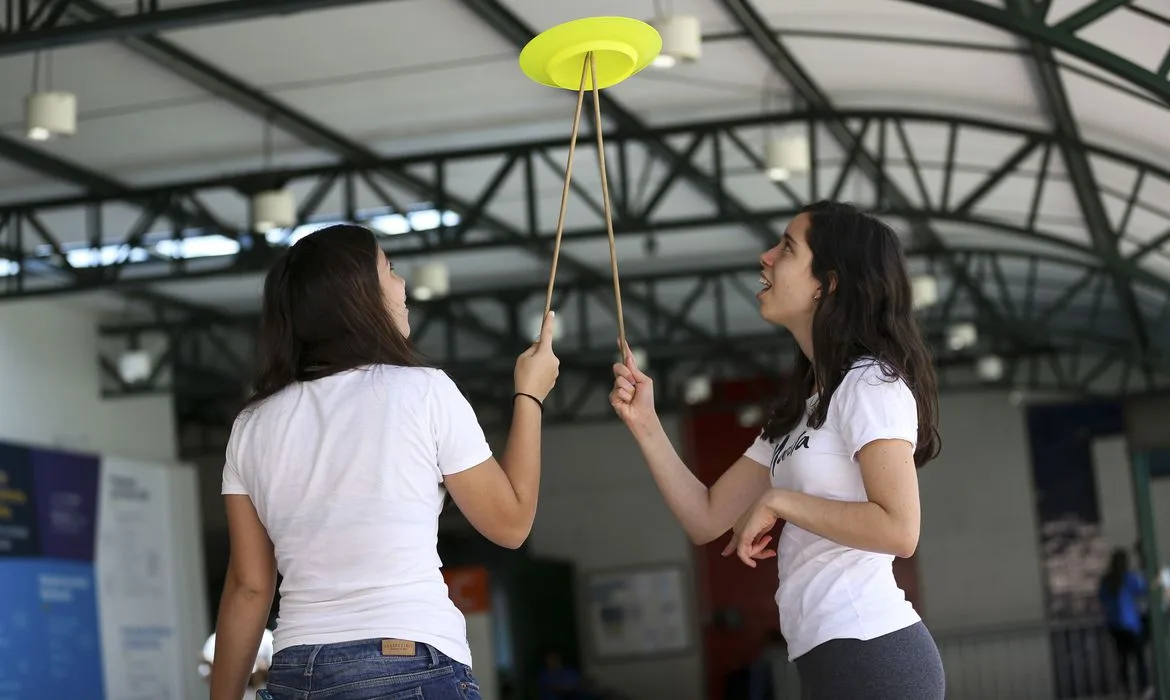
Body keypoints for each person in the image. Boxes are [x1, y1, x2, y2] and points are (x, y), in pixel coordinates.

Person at [208, 224, 561, 700]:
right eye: (389, 269)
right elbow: (511, 523)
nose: (402, 284)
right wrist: (529, 395)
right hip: (408, 660)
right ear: (357, 298)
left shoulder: (252, 426)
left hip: (298, 671)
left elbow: (249, 588)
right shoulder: (424, 391)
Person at [609, 200, 946, 699]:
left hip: (873, 654)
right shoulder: (802, 408)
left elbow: (900, 530)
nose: (765, 257)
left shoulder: (871, 384)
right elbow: (706, 517)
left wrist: (779, 501)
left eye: (786, 248)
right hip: (832, 659)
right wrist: (646, 424)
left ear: (827, 283)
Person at [1099, 547, 1151, 698]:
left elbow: (1103, 599)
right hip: (1130, 625)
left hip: (1114, 626)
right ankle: (1144, 687)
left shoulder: (1106, 581)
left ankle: (1126, 690)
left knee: (1122, 660)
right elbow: (1144, 588)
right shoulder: (1128, 578)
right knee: (1139, 657)